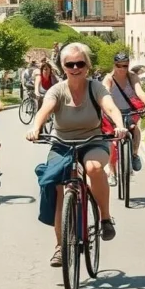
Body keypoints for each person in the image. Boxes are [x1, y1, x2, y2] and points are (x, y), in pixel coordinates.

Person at [26, 42, 127, 267]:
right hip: (62, 143)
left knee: (93, 168)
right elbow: (45, 108)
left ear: (87, 66)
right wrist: (36, 127)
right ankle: (61, 247)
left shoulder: (96, 87)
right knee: (60, 188)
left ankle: (105, 218)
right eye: (69, 64)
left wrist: (119, 125)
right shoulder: (57, 90)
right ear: (63, 67)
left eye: (79, 63)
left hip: (93, 141)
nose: (75, 68)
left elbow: (109, 107)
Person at [101, 51, 145, 184]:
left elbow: (139, 91)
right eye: (119, 66)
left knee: (134, 129)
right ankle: (111, 171)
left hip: (129, 111)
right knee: (112, 140)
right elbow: (105, 92)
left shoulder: (132, 77)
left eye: (125, 66)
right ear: (114, 65)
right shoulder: (109, 78)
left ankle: (135, 154)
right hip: (112, 113)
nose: (122, 69)